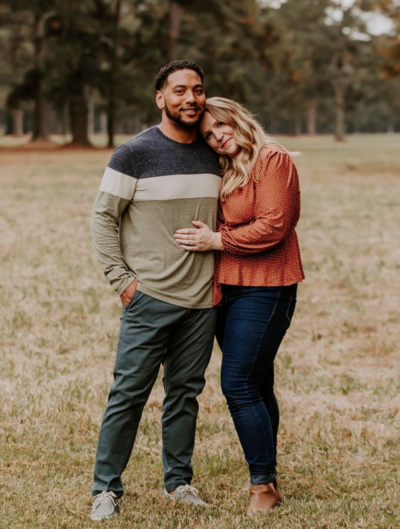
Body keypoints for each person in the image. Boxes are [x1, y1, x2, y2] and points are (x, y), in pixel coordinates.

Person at [89, 61, 221, 521]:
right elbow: (103, 218)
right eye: (180, 90)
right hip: (149, 299)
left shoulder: (214, 154)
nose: (191, 98)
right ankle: (106, 490)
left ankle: (179, 482)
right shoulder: (134, 154)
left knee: (185, 394)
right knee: (128, 394)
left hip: (203, 301)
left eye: (198, 90)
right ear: (160, 98)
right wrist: (123, 283)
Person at [174, 97, 304, 515]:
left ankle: (262, 486)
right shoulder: (224, 167)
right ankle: (269, 475)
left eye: (222, 126)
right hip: (225, 287)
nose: (218, 137)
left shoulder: (273, 159)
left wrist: (218, 240)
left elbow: (275, 225)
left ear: (239, 119)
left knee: (238, 384)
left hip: (267, 287)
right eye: (209, 135)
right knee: (256, 381)